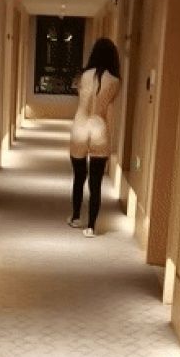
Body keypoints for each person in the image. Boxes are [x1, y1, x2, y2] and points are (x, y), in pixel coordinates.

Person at [68, 37, 121, 237]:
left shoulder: (83, 76)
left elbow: (79, 95)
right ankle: (91, 226)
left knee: (79, 176)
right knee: (96, 182)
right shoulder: (114, 81)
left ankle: (75, 217)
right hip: (99, 128)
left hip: (80, 127)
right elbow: (109, 106)